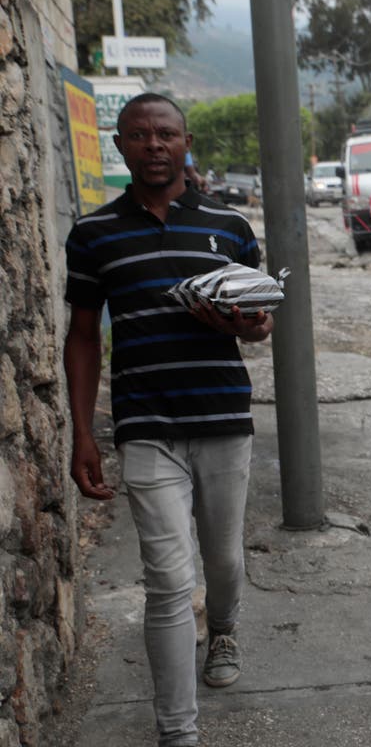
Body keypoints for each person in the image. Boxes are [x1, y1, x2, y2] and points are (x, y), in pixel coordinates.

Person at [64, 93, 273, 747]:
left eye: (166, 134)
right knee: (166, 582)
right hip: (144, 423)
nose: (154, 145)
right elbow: (81, 337)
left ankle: (227, 629)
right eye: (139, 134)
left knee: (223, 562)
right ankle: (176, 733)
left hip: (221, 418)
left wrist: (242, 322)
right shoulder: (94, 234)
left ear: (185, 143)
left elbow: (261, 320)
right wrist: (81, 432)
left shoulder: (231, 227)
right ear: (120, 146)